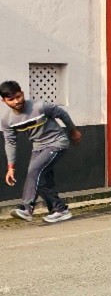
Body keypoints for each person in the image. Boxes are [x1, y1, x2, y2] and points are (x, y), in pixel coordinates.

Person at [2, 80, 80, 223]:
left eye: (18, 96)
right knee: (40, 178)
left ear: (22, 93)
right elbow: (10, 142)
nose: (16, 101)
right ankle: (59, 210)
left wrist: (73, 131)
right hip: (38, 147)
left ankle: (26, 209)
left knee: (34, 170)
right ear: (4, 101)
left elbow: (62, 114)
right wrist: (10, 168)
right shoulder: (7, 120)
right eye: (11, 99)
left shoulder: (40, 106)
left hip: (57, 142)